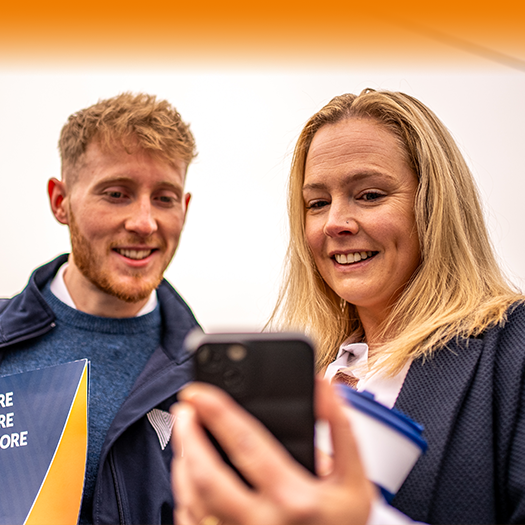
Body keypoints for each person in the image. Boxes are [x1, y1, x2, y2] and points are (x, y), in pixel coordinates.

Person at [171, 89, 525, 524]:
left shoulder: (512, 352)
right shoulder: (311, 375)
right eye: (317, 203)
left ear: (434, 203)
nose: (335, 223)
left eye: (370, 195)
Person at [0, 92, 199, 524]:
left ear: (184, 208)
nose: (145, 222)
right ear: (61, 201)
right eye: (117, 193)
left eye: (164, 198)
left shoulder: (211, 382)